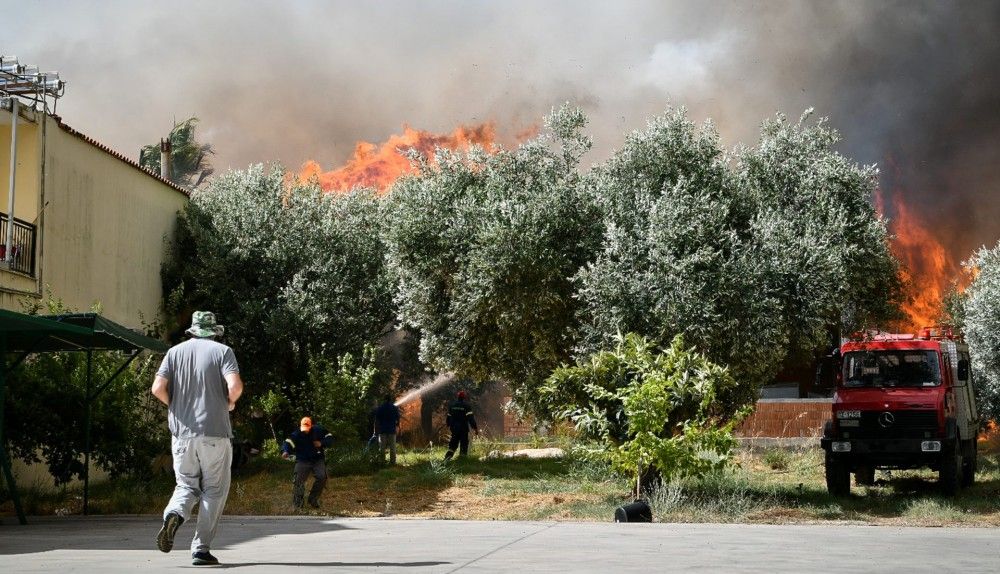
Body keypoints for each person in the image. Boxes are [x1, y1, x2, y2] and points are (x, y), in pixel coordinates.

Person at [151, 311, 244, 567]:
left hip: (182, 434)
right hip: (215, 433)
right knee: (214, 490)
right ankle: (201, 549)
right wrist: (228, 403)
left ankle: (174, 514)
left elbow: (157, 388)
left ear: (192, 330)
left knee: (186, 485)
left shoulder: (174, 353)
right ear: (214, 331)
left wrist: (177, 407)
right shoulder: (223, 352)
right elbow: (235, 387)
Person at [282, 416, 334, 509]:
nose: (305, 431)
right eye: (303, 428)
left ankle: (313, 499)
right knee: (298, 480)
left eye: (307, 428)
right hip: (302, 460)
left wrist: (321, 443)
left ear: (312, 426)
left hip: (318, 459)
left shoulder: (318, 430)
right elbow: (288, 442)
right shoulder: (297, 434)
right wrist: (285, 451)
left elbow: (330, 438)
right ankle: (298, 504)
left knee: (322, 477)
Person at [444, 390, 479, 460]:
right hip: (463, 429)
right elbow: (471, 418)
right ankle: (462, 459)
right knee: (464, 443)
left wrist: (448, 425)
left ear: (457, 397)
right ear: (464, 397)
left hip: (454, 428)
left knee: (453, 444)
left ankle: (447, 459)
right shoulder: (466, 406)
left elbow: (448, 417)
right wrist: (475, 428)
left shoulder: (452, 405)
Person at [372, 395, 401, 465]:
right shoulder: (394, 408)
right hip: (392, 430)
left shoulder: (380, 408)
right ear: (390, 400)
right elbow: (398, 419)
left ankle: (382, 462)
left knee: (382, 447)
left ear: (384, 399)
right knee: (393, 447)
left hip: (382, 430)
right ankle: (392, 462)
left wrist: (375, 431)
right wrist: (397, 425)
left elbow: (377, 420)